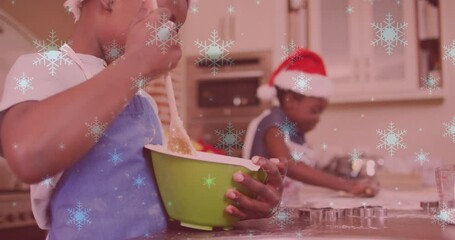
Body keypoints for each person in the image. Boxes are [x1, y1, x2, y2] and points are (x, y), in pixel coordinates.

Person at [0, 0, 283, 239]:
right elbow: (26, 152)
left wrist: (236, 201)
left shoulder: (144, 102)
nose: (170, 37)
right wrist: (137, 64)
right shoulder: (45, 68)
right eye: (163, 20)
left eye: (175, 28)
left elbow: (164, 208)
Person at [243, 49, 379, 205]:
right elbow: (290, 165)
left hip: (280, 209)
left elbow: (307, 168)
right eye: (315, 111)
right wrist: (348, 185)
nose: (318, 118)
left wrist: (356, 181)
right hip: (261, 209)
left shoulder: (294, 130)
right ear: (289, 100)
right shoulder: (273, 124)